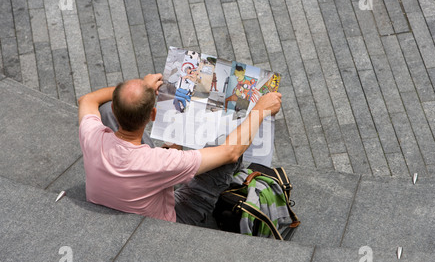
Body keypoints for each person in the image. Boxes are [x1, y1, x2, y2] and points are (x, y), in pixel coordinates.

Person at [78, 73, 282, 226]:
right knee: (222, 153)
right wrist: (260, 109)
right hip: (168, 220)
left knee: (101, 108)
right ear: (153, 115)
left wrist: (142, 89)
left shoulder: (92, 136)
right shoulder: (159, 161)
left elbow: (87, 100)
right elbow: (231, 151)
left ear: (117, 109)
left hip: (126, 195)